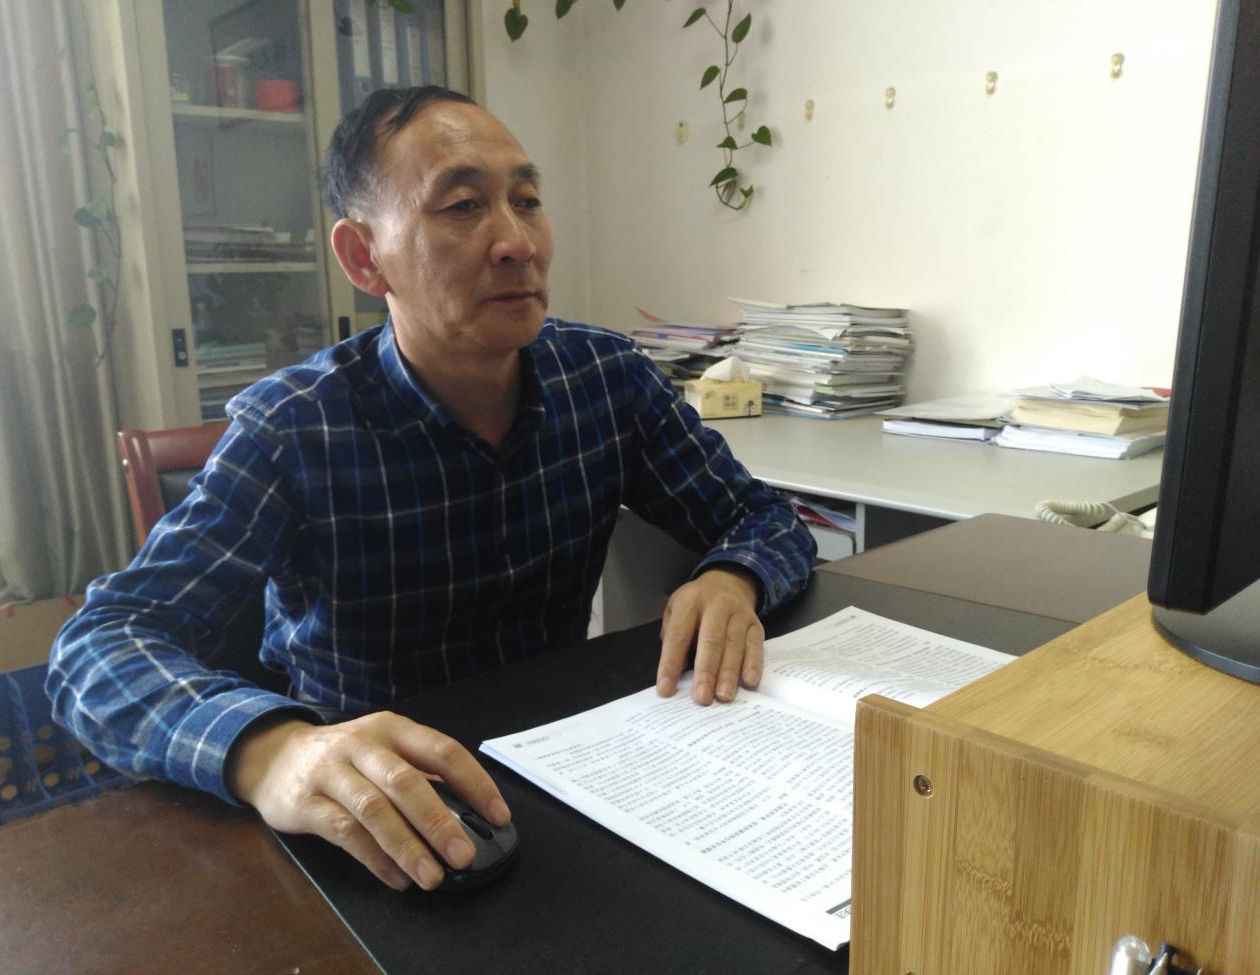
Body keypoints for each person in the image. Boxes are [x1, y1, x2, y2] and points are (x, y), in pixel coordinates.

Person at [48, 86, 815, 894]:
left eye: (527, 200)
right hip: (377, 816)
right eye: (462, 206)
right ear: (362, 257)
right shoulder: (294, 428)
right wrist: (271, 751)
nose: (517, 242)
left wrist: (731, 576)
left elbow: (762, 515)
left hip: (571, 773)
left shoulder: (606, 379)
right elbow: (96, 644)